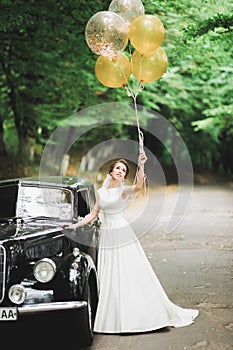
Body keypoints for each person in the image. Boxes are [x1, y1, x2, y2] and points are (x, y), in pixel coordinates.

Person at [62, 151, 199, 333]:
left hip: (122, 232)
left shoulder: (123, 190)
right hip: (108, 235)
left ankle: (137, 315)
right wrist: (74, 226)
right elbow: (93, 214)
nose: (120, 171)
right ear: (111, 172)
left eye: (124, 170)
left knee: (128, 270)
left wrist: (141, 164)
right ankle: (112, 317)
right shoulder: (101, 192)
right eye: (118, 168)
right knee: (110, 274)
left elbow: (138, 186)